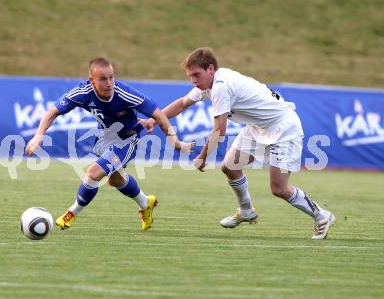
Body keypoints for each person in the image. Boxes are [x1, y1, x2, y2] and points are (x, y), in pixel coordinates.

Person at [141, 47, 335, 239]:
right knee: (229, 167)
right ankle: (246, 211)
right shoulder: (208, 84)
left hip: (283, 128)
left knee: (279, 189)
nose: (193, 80)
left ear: (210, 69)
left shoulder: (221, 87)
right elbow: (182, 103)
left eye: (196, 75)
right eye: (190, 76)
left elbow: (220, 130)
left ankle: (322, 216)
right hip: (257, 127)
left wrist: (202, 157)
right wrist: (153, 119)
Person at [26, 57, 192, 231]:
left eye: (111, 77)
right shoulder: (82, 92)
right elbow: (53, 111)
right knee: (115, 180)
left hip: (127, 140)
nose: (109, 83)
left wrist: (175, 141)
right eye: (103, 79)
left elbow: (159, 115)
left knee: (92, 173)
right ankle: (145, 203)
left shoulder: (124, 93)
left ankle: (71, 213)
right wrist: (39, 135)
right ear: (92, 81)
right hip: (104, 138)